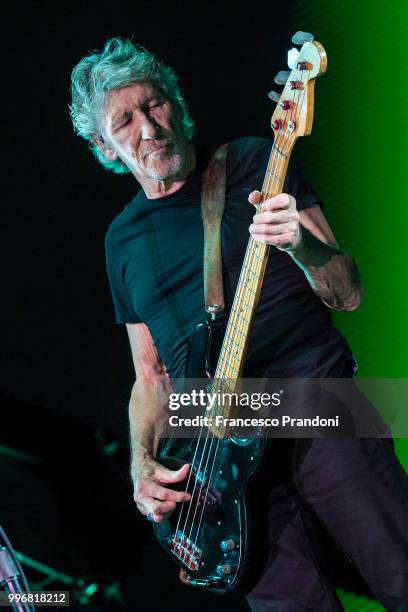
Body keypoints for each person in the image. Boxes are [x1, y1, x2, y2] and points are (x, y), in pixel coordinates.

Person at [70, 37, 408, 611]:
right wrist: (140, 462)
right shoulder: (120, 241)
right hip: (220, 459)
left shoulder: (254, 160)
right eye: (124, 120)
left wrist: (302, 247)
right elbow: (150, 378)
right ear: (105, 148)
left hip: (315, 396)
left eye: (155, 104)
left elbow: (348, 294)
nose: (148, 127)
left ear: (178, 105)